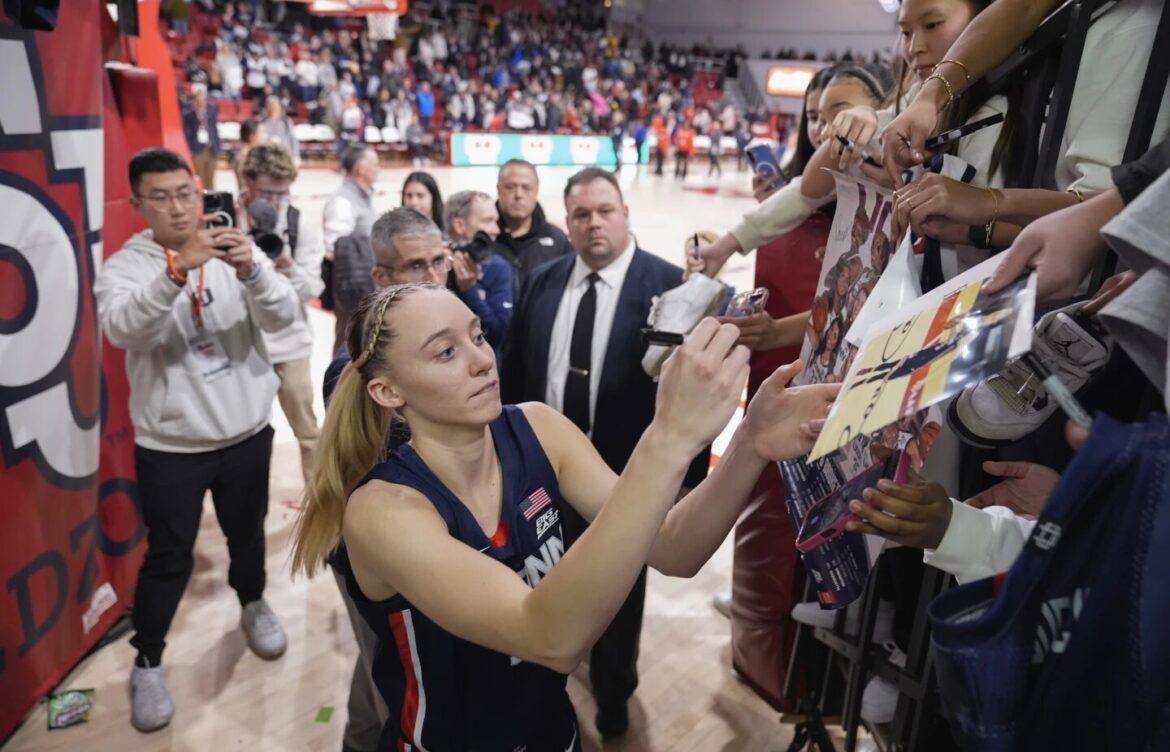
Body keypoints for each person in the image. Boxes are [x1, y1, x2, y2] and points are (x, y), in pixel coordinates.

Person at [292, 282, 839, 750]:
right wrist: (669, 437)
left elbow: (674, 546)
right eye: (445, 353)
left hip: (554, 733)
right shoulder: (383, 511)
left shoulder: (538, 428)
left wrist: (750, 444)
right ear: (388, 391)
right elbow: (550, 636)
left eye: (477, 335)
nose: (483, 358)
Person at [94, 148, 299, 732]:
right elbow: (124, 329)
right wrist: (177, 269)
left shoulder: (231, 245)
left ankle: (253, 602)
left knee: (247, 534)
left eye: (185, 192)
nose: (178, 206)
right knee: (168, 556)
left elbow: (286, 317)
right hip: (171, 446)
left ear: (198, 190)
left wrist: (254, 270)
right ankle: (149, 658)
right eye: (161, 197)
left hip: (246, 434)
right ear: (137, 204)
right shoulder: (127, 266)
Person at [501, 168, 712, 737]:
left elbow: (696, 397)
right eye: (581, 214)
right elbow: (517, 373)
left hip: (626, 479)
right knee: (545, 580)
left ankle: (614, 691)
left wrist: (686, 478)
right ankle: (552, 673)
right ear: (566, 222)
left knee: (619, 595)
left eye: (604, 210)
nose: (594, 223)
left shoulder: (671, 288)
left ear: (626, 214)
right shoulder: (542, 283)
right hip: (541, 475)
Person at [238, 143, 325, 485]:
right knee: (245, 438)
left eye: (283, 194)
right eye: (267, 193)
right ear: (247, 181)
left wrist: (284, 260)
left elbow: (312, 290)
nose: (275, 203)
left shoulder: (297, 223)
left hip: (291, 345)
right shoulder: (224, 220)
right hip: (242, 345)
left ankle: (323, 513)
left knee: (308, 433)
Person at [323, 144, 380, 352]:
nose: (379, 168)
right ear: (360, 169)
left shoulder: (362, 197)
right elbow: (334, 249)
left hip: (366, 287)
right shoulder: (342, 201)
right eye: (375, 164)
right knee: (348, 347)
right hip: (352, 293)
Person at [444, 190, 515, 352]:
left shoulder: (498, 268)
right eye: (488, 221)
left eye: (496, 221)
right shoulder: (434, 263)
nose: (497, 230)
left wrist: (469, 290)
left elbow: (497, 335)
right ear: (459, 225)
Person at [493, 159, 574, 294]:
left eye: (526, 188)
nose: (518, 195)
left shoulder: (558, 241)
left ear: (536, 191)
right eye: (510, 187)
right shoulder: (481, 239)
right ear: (498, 189)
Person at [181, 84, 220, 189]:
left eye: (201, 97)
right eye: (197, 97)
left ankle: (211, 201)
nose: (200, 100)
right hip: (197, 149)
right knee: (200, 178)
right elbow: (187, 132)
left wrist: (218, 146)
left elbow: (214, 128)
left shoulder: (211, 110)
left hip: (211, 147)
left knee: (211, 179)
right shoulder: (189, 113)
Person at [261, 95, 301, 166]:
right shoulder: (263, 121)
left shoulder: (286, 121)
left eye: (275, 105)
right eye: (270, 105)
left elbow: (293, 139)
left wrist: (296, 155)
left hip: (284, 154)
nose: (273, 108)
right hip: (267, 155)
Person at [233, 118, 266, 188]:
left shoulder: (256, 154)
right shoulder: (244, 157)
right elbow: (245, 184)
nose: (265, 136)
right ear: (252, 137)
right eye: (262, 132)